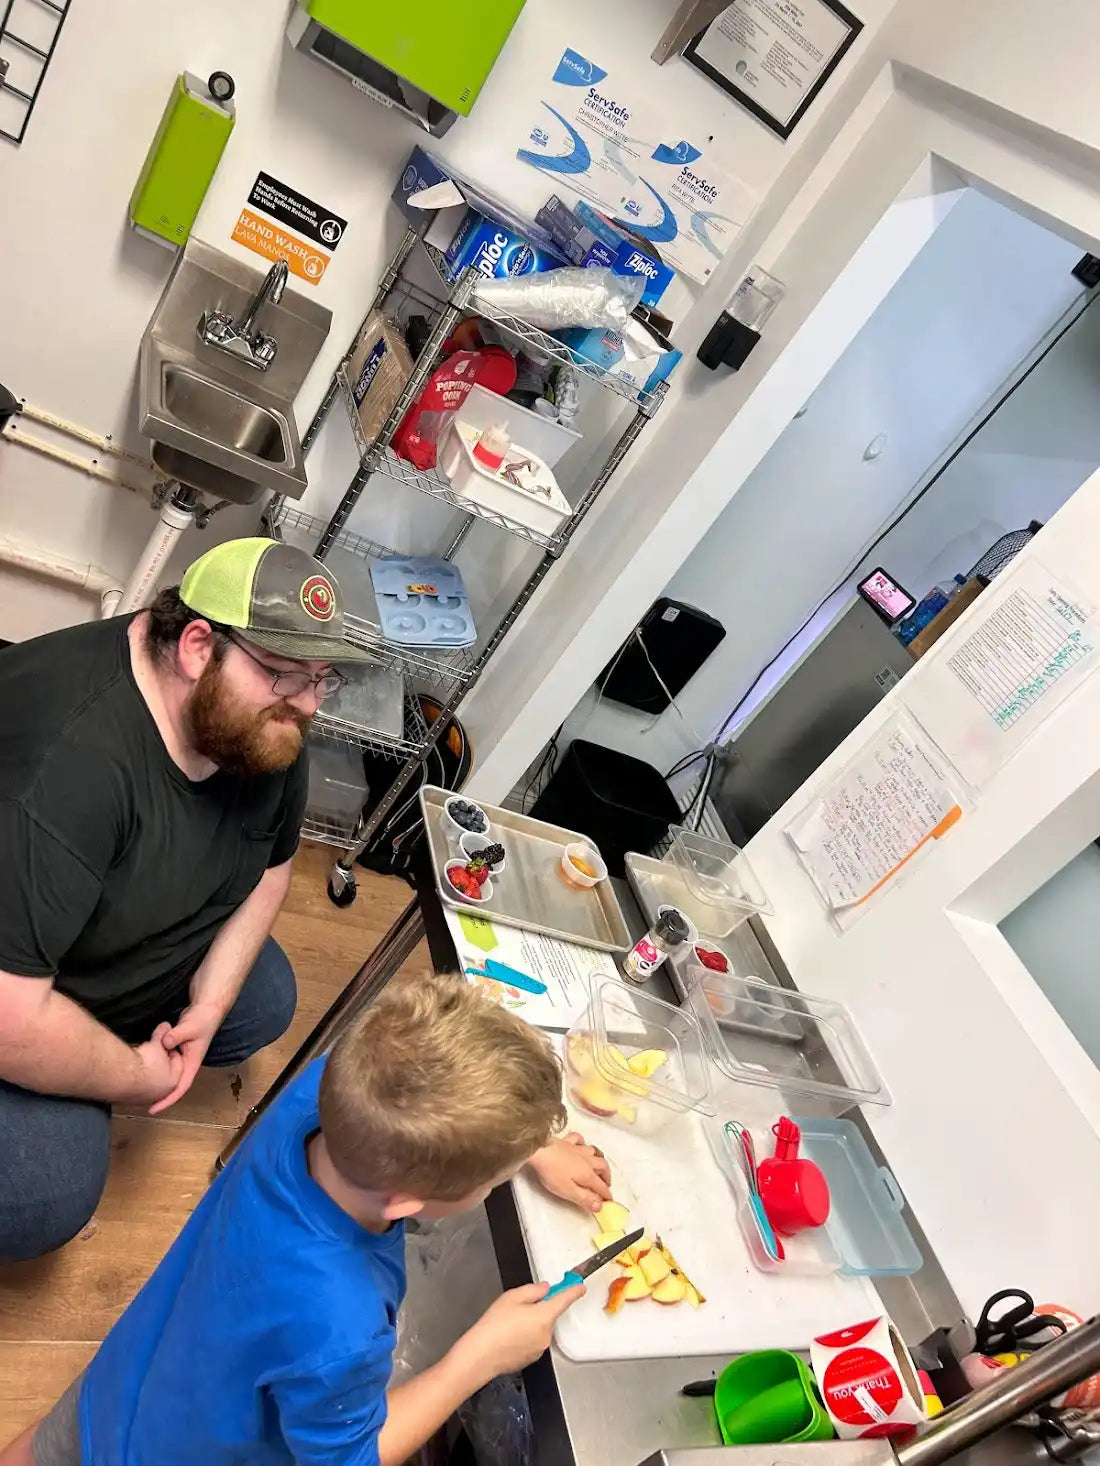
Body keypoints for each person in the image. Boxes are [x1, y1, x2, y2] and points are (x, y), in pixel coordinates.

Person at [0, 973, 614, 1466]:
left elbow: (416, 1091)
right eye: (493, 1178)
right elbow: (356, 1453)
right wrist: (478, 1357)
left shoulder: (327, 1092)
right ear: (403, 1202)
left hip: (124, 1384)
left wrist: (523, 1142)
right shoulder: (341, 1329)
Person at [0, 537, 378, 1263]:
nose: (306, 705)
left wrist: (206, 1008)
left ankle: (101, 1044)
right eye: (284, 676)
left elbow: (273, 865)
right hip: (18, 986)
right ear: (199, 647)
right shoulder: (66, 773)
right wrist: (132, 1076)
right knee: (49, 1188)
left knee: (260, 1000)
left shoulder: (262, 724)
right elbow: (11, 1015)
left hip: (95, 942)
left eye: (323, 680)